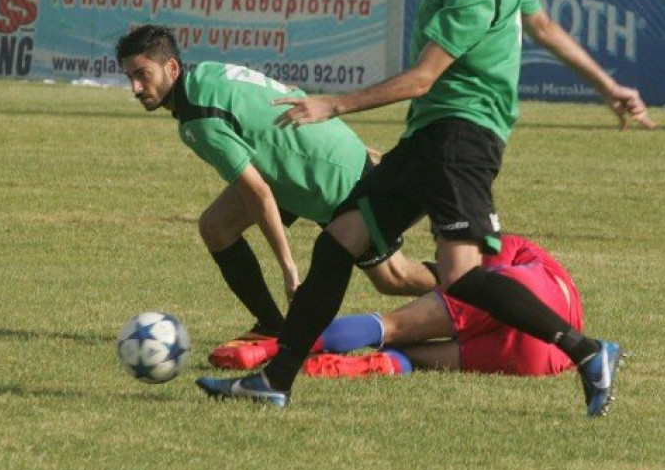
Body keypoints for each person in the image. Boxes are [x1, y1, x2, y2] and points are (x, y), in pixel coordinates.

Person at [197, 0, 645, 416]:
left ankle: (586, 351)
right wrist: (611, 87)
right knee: (338, 241)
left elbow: (422, 79)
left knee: (463, 278)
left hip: (460, 139)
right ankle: (277, 379)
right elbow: (546, 29)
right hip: (428, 138)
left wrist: (331, 105)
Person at [115, 25, 439, 369]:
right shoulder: (205, 75)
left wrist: (288, 269)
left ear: (172, 68)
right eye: (130, 77)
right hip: (309, 161)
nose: (136, 87)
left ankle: (474, 287)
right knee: (217, 226)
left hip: (330, 180)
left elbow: (259, 195)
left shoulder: (198, 120)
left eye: (142, 75)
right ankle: (271, 325)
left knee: (394, 278)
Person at [301, 234, 586, 379]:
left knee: (393, 326)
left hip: (522, 289)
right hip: (546, 355)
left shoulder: (506, 245)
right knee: (416, 357)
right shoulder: (541, 261)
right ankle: (356, 366)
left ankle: (272, 349)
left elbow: (480, 286)